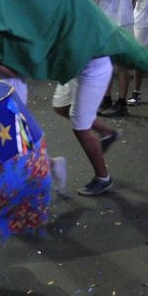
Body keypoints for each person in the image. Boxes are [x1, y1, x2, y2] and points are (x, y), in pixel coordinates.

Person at [52, 57, 118, 196]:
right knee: (61, 106)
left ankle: (103, 178)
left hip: (91, 71)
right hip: (72, 69)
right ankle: (107, 133)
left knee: (81, 128)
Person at [89, 0, 139, 116]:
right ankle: (106, 98)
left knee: (123, 65)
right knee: (105, 64)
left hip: (124, 21)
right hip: (105, 22)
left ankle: (122, 102)